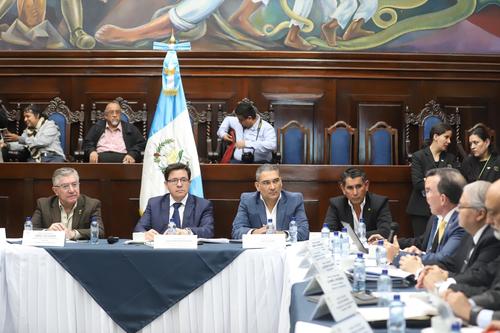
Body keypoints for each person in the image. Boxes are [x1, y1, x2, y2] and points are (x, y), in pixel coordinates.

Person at [376, 168, 466, 273]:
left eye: (427, 191)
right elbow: (423, 243)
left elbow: (443, 259)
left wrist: (397, 256)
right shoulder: (436, 218)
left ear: (443, 199)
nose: (425, 197)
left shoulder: (461, 223)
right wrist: (389, 242)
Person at [417, 181, 500, 290]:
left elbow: (479, 277)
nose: (457, 210)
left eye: (461, 206)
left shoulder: (492, 238)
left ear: (480, 214)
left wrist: (444, 281)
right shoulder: (469, 235)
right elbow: (454, 264)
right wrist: (435, 272)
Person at [440, 179, 500, 328]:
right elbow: (495, 289)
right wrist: (465, 302)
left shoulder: (491, 238)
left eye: (493, 213)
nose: (489, 220)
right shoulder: (471, 235)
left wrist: (471, 312)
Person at [135, 162, 214, 240]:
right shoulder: (154, 204)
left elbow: (208, 231)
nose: (179, 185)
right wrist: (146, 234)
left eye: (183, 180)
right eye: (174, 180)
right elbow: (139, 229)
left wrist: (187, 232)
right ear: (166, 184)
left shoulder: (203, 205)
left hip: (190, 251)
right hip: (161, 251)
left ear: (189, 183)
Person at [231, 164, 309, 240]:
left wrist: (282, 235)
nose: (272, 187)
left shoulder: (295, 200)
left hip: (285, 250)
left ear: (281, 182)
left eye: (275, 181)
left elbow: (304, 232)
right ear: (257, 186)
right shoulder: (247, 200)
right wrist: (255, 232)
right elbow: (236, 231)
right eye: (266, 183)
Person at [406, 122, 456, 237]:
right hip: (421, 210)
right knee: (421, 245)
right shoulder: (418, 156)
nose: (449, 141)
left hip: (443, 210)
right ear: (435, 137)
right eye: (446, 137)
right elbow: (418, 183)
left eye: (450, 138)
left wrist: (428, 180)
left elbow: (452, 183)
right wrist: (442, 182)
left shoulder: (450, 158)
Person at [31, 167, 104, 240]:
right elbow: (30, 231)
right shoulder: (44, 204)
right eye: (65, 186)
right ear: (56, 191)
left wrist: (73, 234)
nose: (72, 190)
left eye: (74, 184)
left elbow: (100, 232)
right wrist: (48, 232)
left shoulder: (92, 204)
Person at [323, 167, 392, 238]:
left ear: (366, 185)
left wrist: (353, 236)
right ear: (343, 189)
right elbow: (329, 231)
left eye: (358, 186)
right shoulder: (337, 204)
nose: (355, 193)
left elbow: (385, 231)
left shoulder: (379, 203)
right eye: (350, 188)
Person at [217, 99, 276, 164]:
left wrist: (247, 144)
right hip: (238, 162)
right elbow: (227, 119)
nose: (239, 122)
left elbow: (272, 145)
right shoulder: (239, 120)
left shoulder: (267, 127)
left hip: (260, 164)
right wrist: (223, 134)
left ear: (249, 118)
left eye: (241, 120)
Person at [1, 104, 65, 162]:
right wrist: (7, 145)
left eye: (28, 116)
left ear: (37, 115)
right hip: (34, 159)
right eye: (24, 117)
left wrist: (19, 138)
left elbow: (42, 142)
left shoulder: (50, 125)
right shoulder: (27, 130)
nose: (25, 119)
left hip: (52, 157)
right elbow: (23, 145)